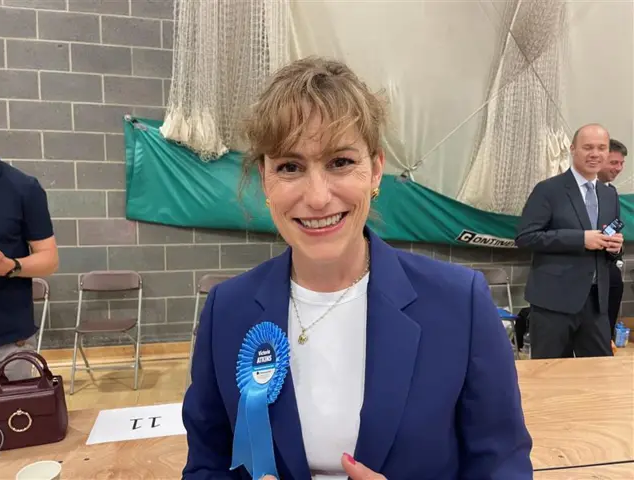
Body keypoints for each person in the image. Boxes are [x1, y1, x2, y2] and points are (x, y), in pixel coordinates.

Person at [182, 57, 532, 480]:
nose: (316, 197)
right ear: (265, 179)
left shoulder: (461, 303)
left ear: (376, 169)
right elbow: (207, 464)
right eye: (290, 167)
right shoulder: (227, 311)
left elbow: (502, 467)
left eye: (340, 162)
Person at [515, 124, 624, 359]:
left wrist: (615, 248)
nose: (595, 153)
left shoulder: (609, 195)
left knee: (599, 373)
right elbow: (525, 237)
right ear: (573, 149)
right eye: (588, 147)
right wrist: (580, 239)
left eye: (601, 148)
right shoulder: (548, 190)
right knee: (549, 375)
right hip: (554, 303)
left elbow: (608, 241)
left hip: (596, 304)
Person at [0, 155, 59, 379]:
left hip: (6, 347)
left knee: (11, 414)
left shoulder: (22, 187)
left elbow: (49, 259)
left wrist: (10, 266)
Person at [598, 139, 627, 343]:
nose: (618, 168)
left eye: (621, 163)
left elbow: (615, 224)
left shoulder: (612, 192)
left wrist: (615, 245)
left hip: (607, 264)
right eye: (614, 162)